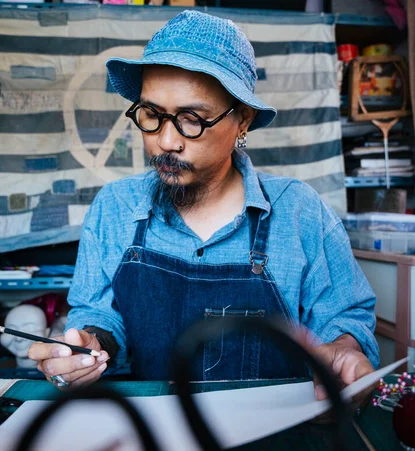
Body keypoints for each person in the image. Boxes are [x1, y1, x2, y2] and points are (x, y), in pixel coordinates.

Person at [30, 10, 379, 398]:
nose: (166, 141)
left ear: (242, 120)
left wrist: (346, 351)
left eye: (191, 119)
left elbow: (346, 318)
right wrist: (89, 346)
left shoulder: (300, 212)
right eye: (151, 114)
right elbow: (97, 314)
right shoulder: (114, 207)